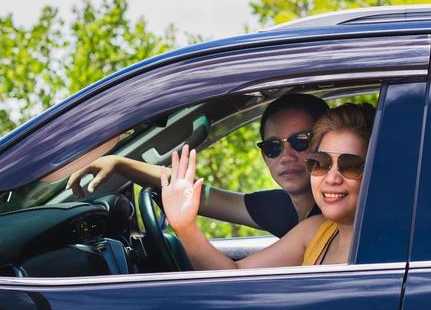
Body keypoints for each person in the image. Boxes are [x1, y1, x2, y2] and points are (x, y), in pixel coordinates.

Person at [65, 92, 329, 237]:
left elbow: (232, 275)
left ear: (326, 145)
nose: (286, 155)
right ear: (264, 156)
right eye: (273, 147)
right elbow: (196, 194)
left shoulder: (330, 217)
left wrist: (185, 227)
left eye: (301, 141)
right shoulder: (282, 207)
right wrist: (122, 164)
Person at [161, 103, 375, 270]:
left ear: (377, 169)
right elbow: (235, 277)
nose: (332, 178)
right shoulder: (317, 230)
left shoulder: (398, 244)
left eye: (351, 165)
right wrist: (185, 227)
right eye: (321, 163)